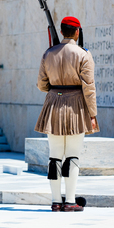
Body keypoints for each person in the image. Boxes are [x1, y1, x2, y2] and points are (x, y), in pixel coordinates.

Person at [35, 16, 99, 212]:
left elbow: (41, 85)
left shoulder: (48, 53)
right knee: (72, 155)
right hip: (76, 106)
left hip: (53, 104)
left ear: (62, 32)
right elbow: (89, 87)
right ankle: (70, 201)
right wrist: (93, 113)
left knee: (54, 157)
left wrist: (56, 89)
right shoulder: (83, 54)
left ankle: (56, 201)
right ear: (77, 32)